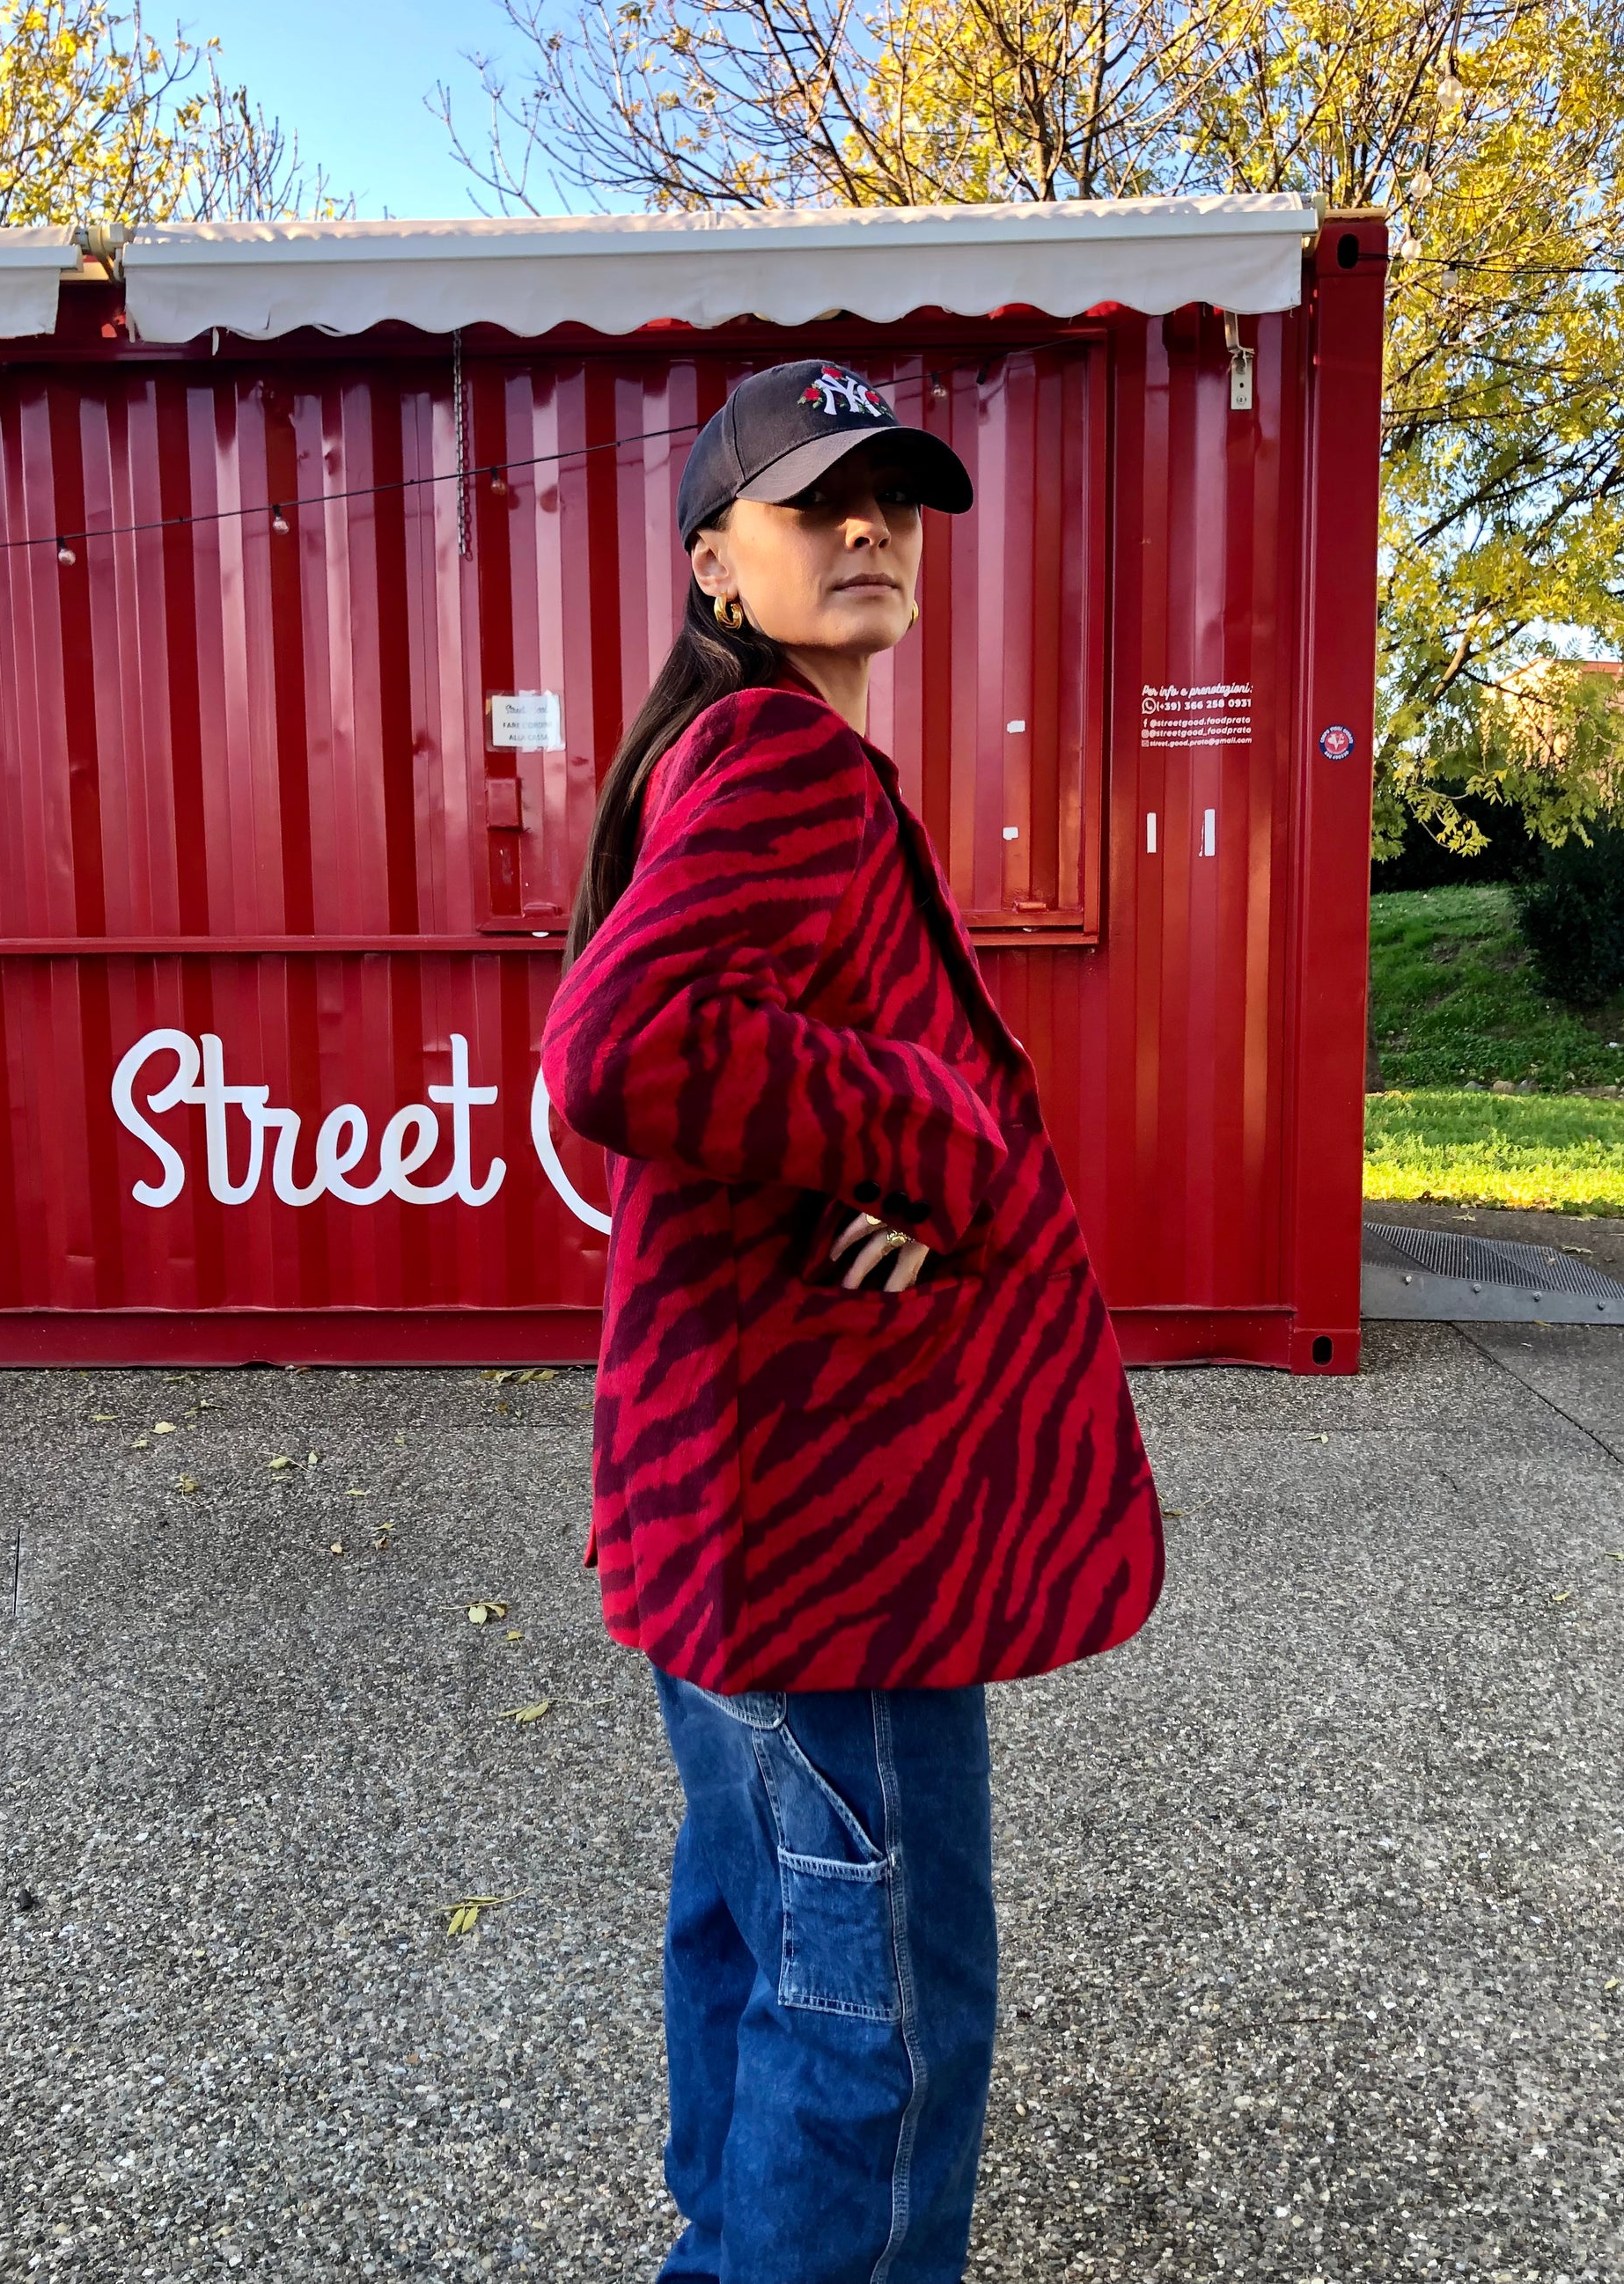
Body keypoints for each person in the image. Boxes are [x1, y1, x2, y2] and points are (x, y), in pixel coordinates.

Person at [540, 359, 1164, 2284]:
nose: (869, 527)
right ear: (715, 563)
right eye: (815, 502)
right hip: (840, 1530)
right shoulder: (782, 760)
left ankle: (721, 2256)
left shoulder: (719, 757)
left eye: (890, 497)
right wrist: (939, 1133)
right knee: (879, 2014)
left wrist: (858, 1160)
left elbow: (729, 1060)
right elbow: (621, 1045)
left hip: (746, 1515)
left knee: (759, 1937)